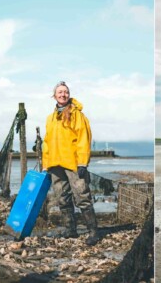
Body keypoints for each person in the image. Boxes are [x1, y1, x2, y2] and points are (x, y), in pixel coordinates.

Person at [42, 81, 99, 246]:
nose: (63, 95)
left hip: (73, 163)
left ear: (69, 94)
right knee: (62, 197)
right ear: (54, 95)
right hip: (55, 164)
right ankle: (70, 230)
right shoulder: (50, 118)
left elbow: (84, 138)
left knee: (82, 196)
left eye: (65, 92)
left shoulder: (77, 115)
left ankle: (93, 232)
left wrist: (83, 163)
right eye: (59, 92)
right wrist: (46, 164)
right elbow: (47, 142)